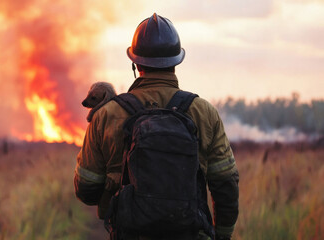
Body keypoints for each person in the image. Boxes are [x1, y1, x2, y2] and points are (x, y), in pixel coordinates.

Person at [74, 13, 239, 240]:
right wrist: (222, 235)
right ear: (176, 62)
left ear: (135, 62)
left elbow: (86, 189)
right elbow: (226, 185)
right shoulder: (205, 112)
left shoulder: (104, 115)